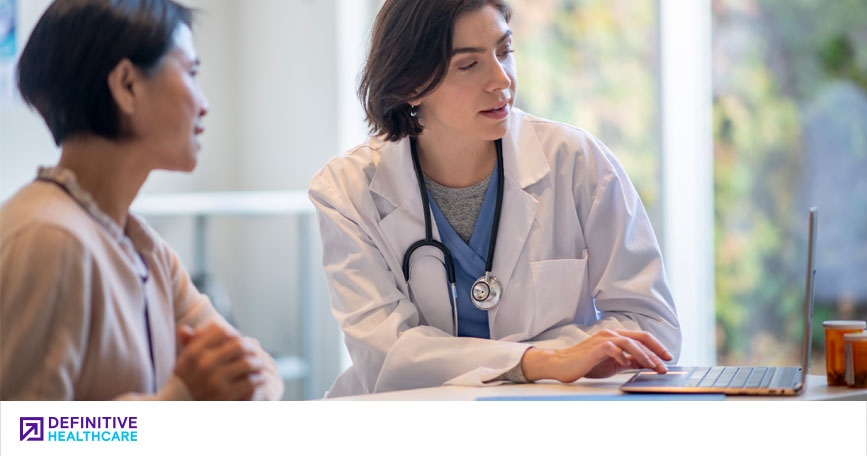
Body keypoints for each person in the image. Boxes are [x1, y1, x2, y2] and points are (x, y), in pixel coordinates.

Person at [309, 0, 681, 397]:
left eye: (505, 52)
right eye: (469, 65)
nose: (501, 80)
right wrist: (541, 362)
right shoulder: (346, 191)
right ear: (410, 84)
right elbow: (386, 355)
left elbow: (651, 327)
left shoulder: (577, 163)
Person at [0, 0, 283, 400]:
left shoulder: (142, 246)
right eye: (191, 73)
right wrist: (179, 399)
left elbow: (258, 371)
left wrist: (229, 385)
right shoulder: (48, 239)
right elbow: (27, 432)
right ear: (127, 85)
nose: (205, 104)